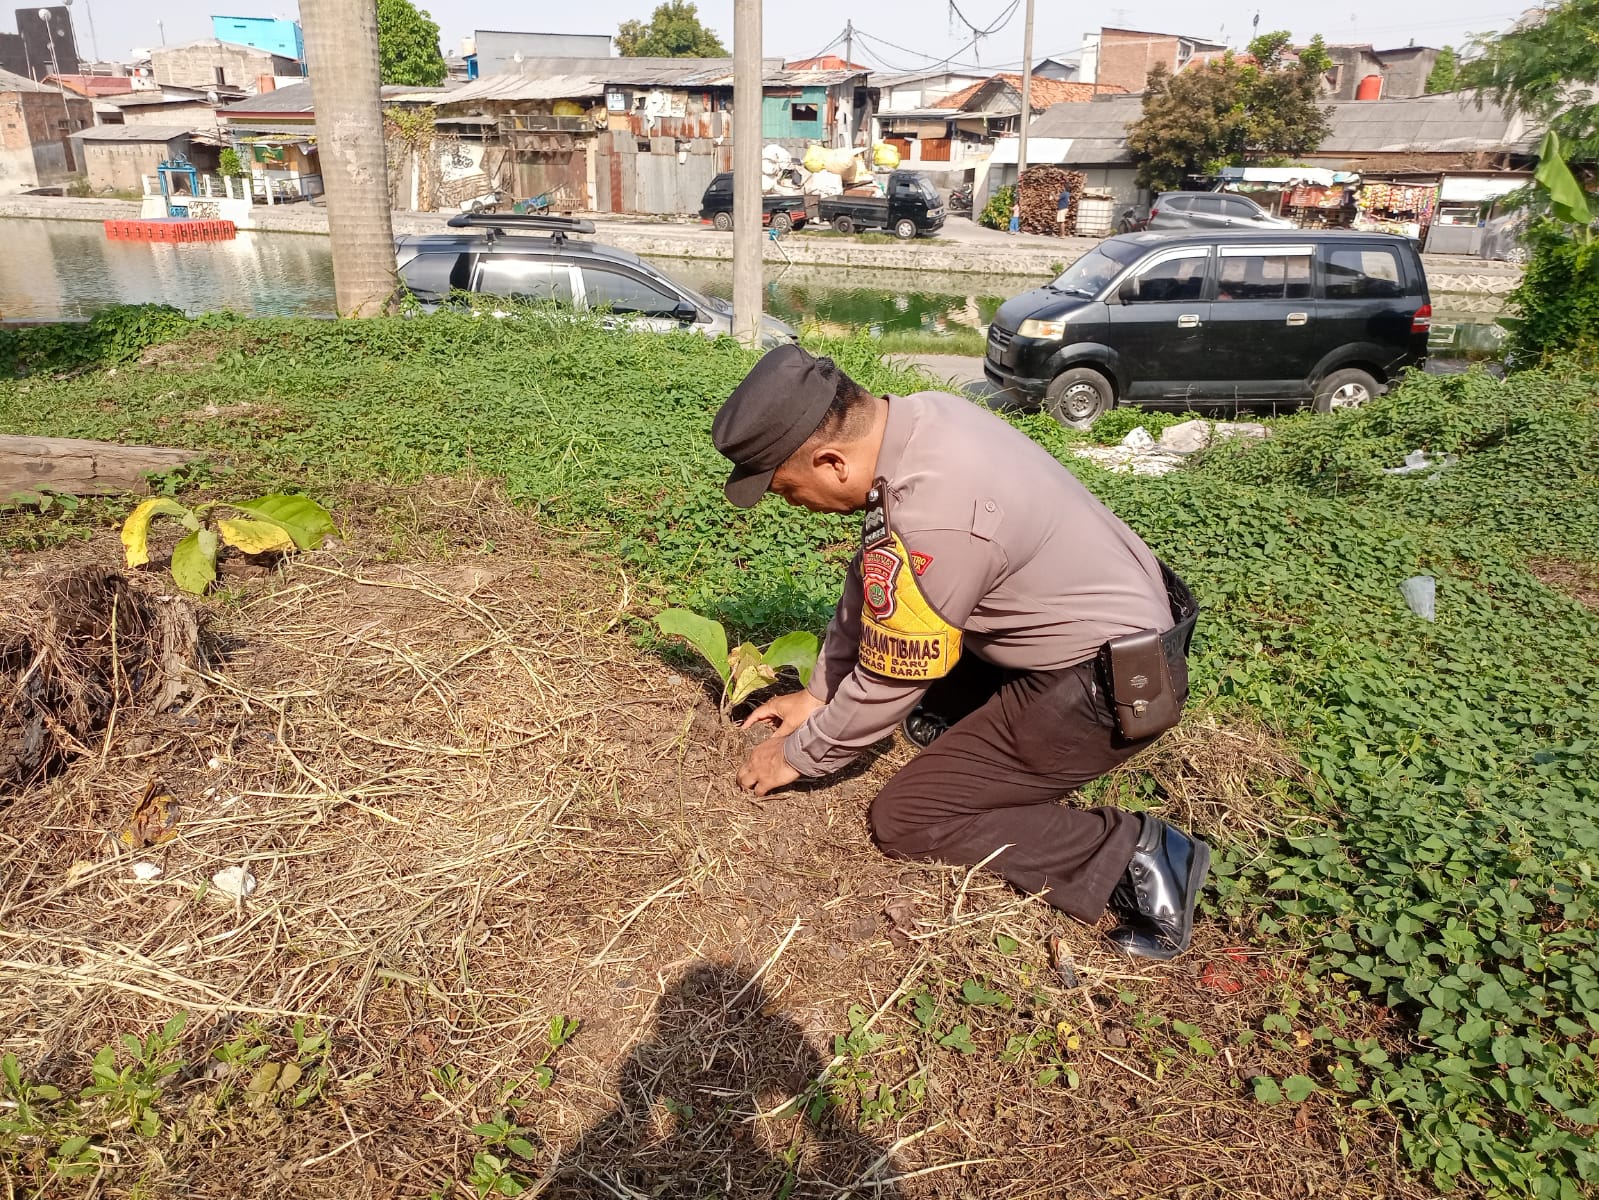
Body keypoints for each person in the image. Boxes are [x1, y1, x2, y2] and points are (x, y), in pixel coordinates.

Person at [711, 346, 1210, 960]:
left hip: (1108, 684)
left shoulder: (938, 514)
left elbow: (890, 677)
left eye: (788, 490)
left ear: (832, 461)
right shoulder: (922, 420)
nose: (792, 504)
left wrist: (800, 754)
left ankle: (1144, 854)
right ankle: (974, 730)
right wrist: (819, 694)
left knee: (909, 818)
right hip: (1083, 631)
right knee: (918, 697)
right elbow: (875, 573)